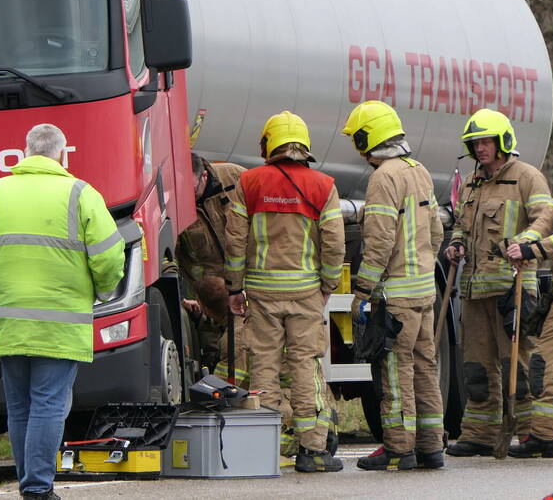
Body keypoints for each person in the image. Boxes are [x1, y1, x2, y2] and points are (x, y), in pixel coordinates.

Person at [0, 124, 124, 500]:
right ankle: (37, 488)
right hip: (60, 323)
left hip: (10, 321)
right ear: (62, 154)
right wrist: (101, 291)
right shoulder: (80, 193)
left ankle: (29, 483)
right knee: (49, 404)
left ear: (26, 151)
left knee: (19, 407)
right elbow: (108, 256)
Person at [224, 111, 345, 473]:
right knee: (306, 367)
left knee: (264, 367)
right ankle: (313, 451)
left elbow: (235, 241)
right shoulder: (323, 185)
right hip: (306, 292)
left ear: (268, 144)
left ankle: (268, 449)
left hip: (260, 292)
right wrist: (326, 284)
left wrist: (234, 287)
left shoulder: (250, 182)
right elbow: (335, 243)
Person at [342, 101, 445, 471]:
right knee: (425, 368)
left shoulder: (384, 177)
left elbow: (380, 240)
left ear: (368, 137)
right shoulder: (419, 171)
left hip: (397, 296)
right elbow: (435, 231)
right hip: (423, 293)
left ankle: (399, 448)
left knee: (396, 372)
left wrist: (363, 290)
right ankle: (431, 447)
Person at [444, 109, 552, 457]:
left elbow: (545, 221)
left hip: (513, 288)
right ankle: (478, 433)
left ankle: (529, 434)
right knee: (475, 365)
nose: (481, 149)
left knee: (516, 365)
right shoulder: (474, 182)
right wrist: (456, 243)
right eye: (475, 143)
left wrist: (526, 243)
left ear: (504, 141)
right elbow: (462, 223)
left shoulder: (527, 177)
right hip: (475, 288)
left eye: (487, 141)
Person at [506, 126, 553, 458]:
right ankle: (544, 437)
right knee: (543, 362)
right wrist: (523, 241)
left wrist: (537, 251)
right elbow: (546, 222)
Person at [176, 153, 246, 368]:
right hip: (211, 300)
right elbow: (168, 252)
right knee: (218, 358)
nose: (189, 198)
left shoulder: (237, 178)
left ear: (204, 176)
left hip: (249, 288)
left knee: (245, 349)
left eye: (192, 190)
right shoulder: (173, 198)